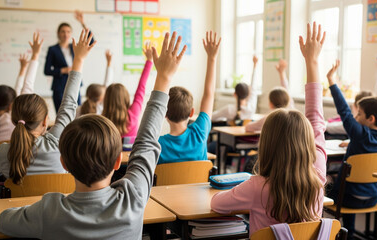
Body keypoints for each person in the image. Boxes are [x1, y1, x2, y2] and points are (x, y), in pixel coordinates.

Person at [0, 31, 186, 240]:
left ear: (64, 163)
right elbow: (146, 144)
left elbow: (2, 220)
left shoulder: (48, 212)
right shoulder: (133, 198)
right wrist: (164, 78)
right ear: (117, 162)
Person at [211, 22, 327, 237]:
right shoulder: (318, 175)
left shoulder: (257, 186)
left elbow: (217, 204)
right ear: (307, 141)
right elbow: (316, 120)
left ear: (267, 144)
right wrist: (312, 62)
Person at [0, 29, 95, 183]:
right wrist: (79, 59)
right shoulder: (56, 143)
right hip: (56, 207)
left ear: (14, 119)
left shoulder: (4, 151)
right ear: (45, 121)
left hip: (19, 208)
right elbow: (69, 103)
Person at [327, 60, 377, 239]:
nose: (355, 116)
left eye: (359, 114)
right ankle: (350, 233)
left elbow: (344, 111)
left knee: (323, 182)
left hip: (348, 198)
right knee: (351, 181)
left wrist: (331, 81)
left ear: (371, 119)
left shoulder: (360, 134)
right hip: (375, 198)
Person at [158, 31, 220, 164]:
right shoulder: (200, 133)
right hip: (198, 186)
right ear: (192, 113)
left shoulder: (159, 145)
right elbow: (209, 94)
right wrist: (212, 58)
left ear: (164, 113)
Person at [0, 33, 43, 147]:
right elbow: (27, 85)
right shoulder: (16, 119)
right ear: (11, 105)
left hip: (0, 163)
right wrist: (35, 55)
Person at [102, 42, 153, 142]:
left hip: (110, 157)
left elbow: (108, 89)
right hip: (132, 156)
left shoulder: (103, 119)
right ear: (125, 98)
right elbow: (141, 87)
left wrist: (109, 64)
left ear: (106, 99)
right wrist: (149, 61)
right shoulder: (133, 113)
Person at [44, 10, 89, 112]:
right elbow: (46, 70)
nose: (66, 34)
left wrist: (82, 23)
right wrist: (62, 70)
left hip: (75, 84)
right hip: (59, 88)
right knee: (62, 115)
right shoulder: (53, 49)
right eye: (63, 31)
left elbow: (90, 41)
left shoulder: (74, 47)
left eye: (68, 31)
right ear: (58, 33)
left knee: (78, 115)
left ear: (71, 33)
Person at [245, 59, 294, 132]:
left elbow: (248, 127)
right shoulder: (293, 114)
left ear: (270, 104)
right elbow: (286, 89)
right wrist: (282, 73)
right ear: (288, 100)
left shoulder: (268, 118)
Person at [212, 55, 259, 122]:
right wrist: (255, 65)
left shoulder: (229, 109)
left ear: (234, 94)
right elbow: (253, 88)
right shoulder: (251, 107)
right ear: (248, 93)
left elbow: (212, 116)